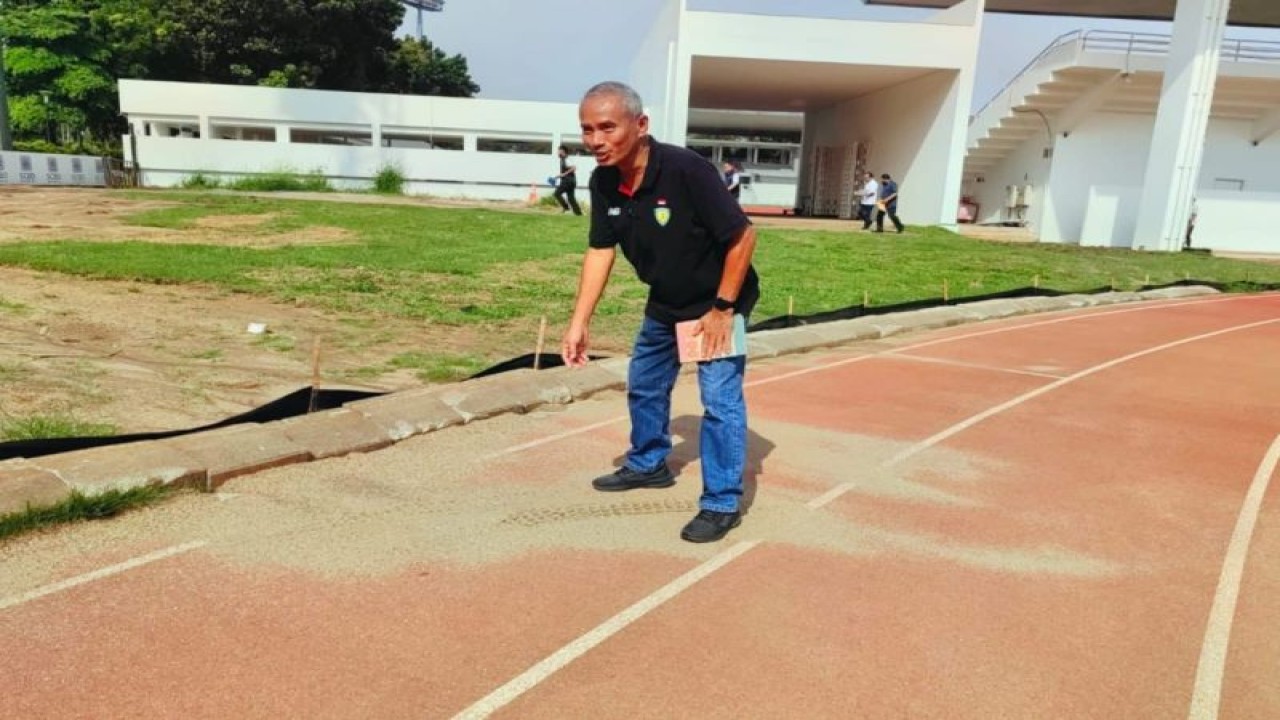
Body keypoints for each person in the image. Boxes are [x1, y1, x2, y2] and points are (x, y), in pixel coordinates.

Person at [562, 81, 760, 544]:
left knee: (719, 401)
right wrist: (579, 322)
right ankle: (649, 463)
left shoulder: (687, 170)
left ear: (641, 125)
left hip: (717, 300)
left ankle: (721, 502)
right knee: (645, 382)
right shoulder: (602, 179)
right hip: (666, 299)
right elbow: (599, 250)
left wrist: (723, 309)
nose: (595, 140)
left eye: (607, 127)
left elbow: (743, 236)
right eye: (587, 129)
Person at [553, 145, 583, 215]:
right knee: (571, 198)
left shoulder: (567, 159)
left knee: (557, 193)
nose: (557, 152)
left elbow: (574, 168)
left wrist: (563, 174)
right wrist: (559, 176)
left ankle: (566, 208)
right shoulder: (563, 159)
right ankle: (578, 214)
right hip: (571, 181)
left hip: (568, 181)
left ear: (562, 151)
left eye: (558, 151)